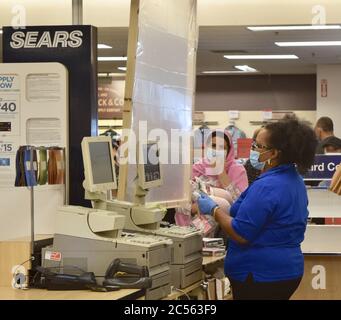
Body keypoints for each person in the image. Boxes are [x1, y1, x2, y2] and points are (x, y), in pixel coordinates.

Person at [197, 118, 318, 300]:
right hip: (287, 269)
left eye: (258, 146)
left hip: (260, 274)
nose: (252, 150)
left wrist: (214, 210)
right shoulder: (294, 180)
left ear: (274, 153)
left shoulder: (268, 185)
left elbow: (241, 233)